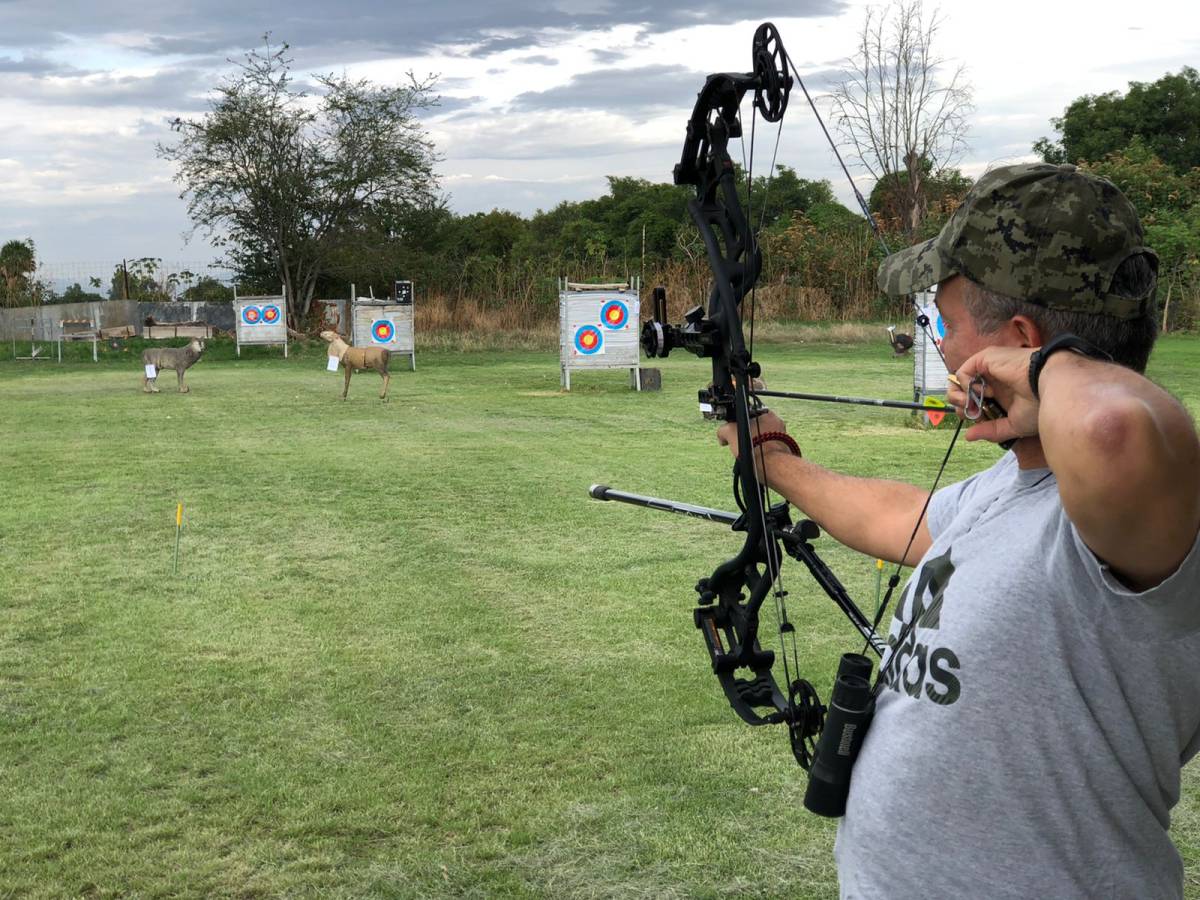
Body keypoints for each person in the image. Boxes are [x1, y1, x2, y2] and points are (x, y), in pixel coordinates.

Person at [717, 162, 1200, 899]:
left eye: (944, 322)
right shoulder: (1014, 486)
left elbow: (1109, 427)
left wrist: (1043, 370)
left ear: (1019, 343)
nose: (939, 344)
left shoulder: (1137, 515)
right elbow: (900, 518)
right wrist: (772, 457)